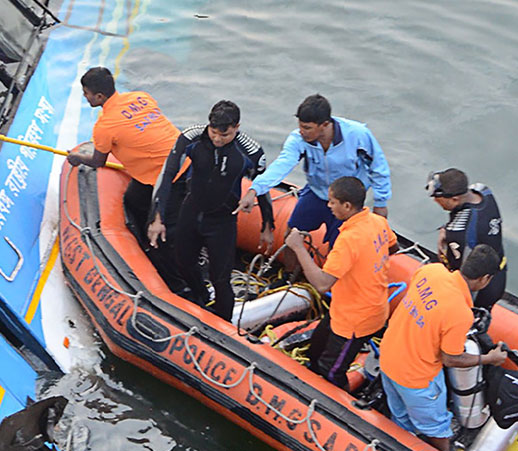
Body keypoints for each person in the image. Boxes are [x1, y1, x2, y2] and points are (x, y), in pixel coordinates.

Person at [146, 100, 274, 320]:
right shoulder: (191, 138)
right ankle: (201, 298)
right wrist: (157, 216)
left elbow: (263, 189)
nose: (217, 139)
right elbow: (167, 175)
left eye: (224, 135)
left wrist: (268, 226)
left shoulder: (250, 151)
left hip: (223, 220)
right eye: (214, 132)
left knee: (220, 279)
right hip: (191, 210)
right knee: (184, 263)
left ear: (237, 127)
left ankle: (224, 322)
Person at [378, 244, 507, 451]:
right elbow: (451, 359)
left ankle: (399, 448)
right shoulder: (460, 313)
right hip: (415, 379)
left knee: (400, 417)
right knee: (437, 429)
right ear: (485, 279)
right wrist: (488, 358)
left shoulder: (431, 270)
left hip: (389, 359)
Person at [66, 67, 185, 289]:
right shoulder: (141, 97)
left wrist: (78, 158)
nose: (85, 97)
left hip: (165, 179)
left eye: (87, 93)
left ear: (99, 96)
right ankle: (141, 241)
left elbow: (98, 161)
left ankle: (174, 280)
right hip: (182, 160)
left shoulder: (104, 126)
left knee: (163, 235)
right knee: (133, 199)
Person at [235, 94, 391, 248]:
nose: (302, 131)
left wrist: (380, 203)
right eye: (300, 126)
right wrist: (254, 190)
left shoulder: (357, 135)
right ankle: (289, 272)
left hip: (346, 200)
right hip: (317, 191)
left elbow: (378, 167)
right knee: (290, 235)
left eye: (307, 128)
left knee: (340, 247)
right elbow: (282, 165)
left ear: (324, 124)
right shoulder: (298, 139)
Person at [285, 177, 397, 388]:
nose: (328, 206)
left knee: (332, 371)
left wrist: (298, 248)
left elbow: (322, 284)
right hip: (347, 307)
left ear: (346, 206)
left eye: (332, 202)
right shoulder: (377, 222)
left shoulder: (349, 240)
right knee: (315, 350)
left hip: (357, 320)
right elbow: (393, 247)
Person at [428, 167, 507, 309]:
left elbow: (458, 274)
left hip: (479, 289)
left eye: (437, 197)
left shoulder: (458, 234)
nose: (435, 200)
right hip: (498, 271)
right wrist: (446, 228)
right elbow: (471, 221)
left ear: (454, 199)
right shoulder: (481, 190)